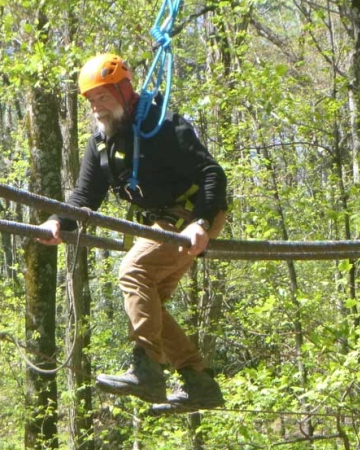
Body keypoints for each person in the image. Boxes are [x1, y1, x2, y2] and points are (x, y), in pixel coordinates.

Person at [37, 53, 228, 409]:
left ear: (125, 90)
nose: (97, 107)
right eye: (91, 100)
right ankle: (197, 380)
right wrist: (57, 221)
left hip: (192, 213)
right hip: (163, 220)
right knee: (149, 299)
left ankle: (147, 369)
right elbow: (84, 197)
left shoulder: (162, 125)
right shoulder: (101, 142)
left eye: (103, 97)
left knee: (133, 271)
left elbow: (211, 174)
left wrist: (201, 222)